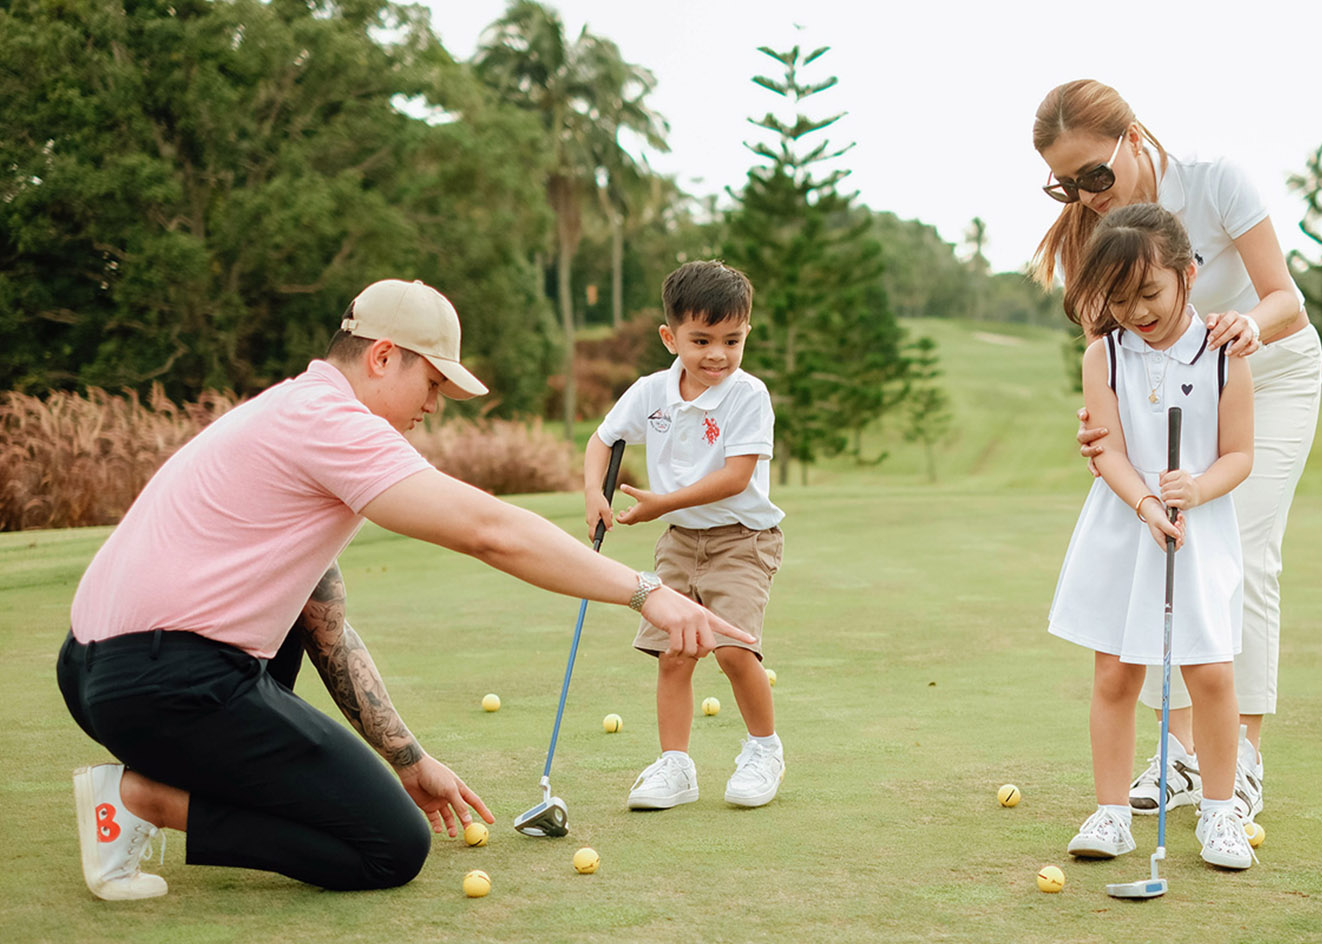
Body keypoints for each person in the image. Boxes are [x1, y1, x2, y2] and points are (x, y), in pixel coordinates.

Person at [58, 278, 754, 901]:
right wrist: (645, 591)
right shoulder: (334, 423)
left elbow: (323, 625)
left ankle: (151, 776)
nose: (435, 406)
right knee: (387, 846)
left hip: (99, 674)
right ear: (383, 356)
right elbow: (489, 530)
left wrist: (410, 761)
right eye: (431, 384)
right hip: (166, 684)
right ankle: (140, 795)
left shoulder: (287, 411)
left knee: (292, 662)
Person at [1032, 79, 1321, 822]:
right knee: (1167, 552)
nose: (1085, 194)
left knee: (1239, 552)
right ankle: (1183, 755)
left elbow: (1285, 296)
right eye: (1066, 184)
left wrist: (1248, 327)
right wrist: (1101, 429)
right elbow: (1114, 364)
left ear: (1134, 137)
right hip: (1176, 400)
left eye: (1095, 174)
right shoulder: (1096, 237)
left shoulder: (1215, 178)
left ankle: (1243, 757)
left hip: (1273, 371)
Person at [1048, 204, 1256, 869]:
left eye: (1149, 292)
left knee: (1213, 674)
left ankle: (1221, 814)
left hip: (1199, 526)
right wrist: (1145, 502)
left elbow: (1239, 455)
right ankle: (1111, 816)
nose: (1136, 309)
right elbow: (1105, 450)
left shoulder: (1225, 353)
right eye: (1117, 296)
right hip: (1126, 523)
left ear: (1188, 275)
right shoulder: (1103, 354)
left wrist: (1195, 488)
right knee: (1115, 674)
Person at [584, 260, 786, 811]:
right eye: (701, 340)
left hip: (744, 539)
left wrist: (658, 503)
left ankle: (764, 751)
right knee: (675, 653)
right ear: (670, 337)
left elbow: (736, 477)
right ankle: (676, 766)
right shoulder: (651, 392)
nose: (717, 354)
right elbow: (601, 441)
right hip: (679, 542)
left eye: (732, 339)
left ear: (747, 333)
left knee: (733, 651)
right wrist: (593, 495)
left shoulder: (749, 395)